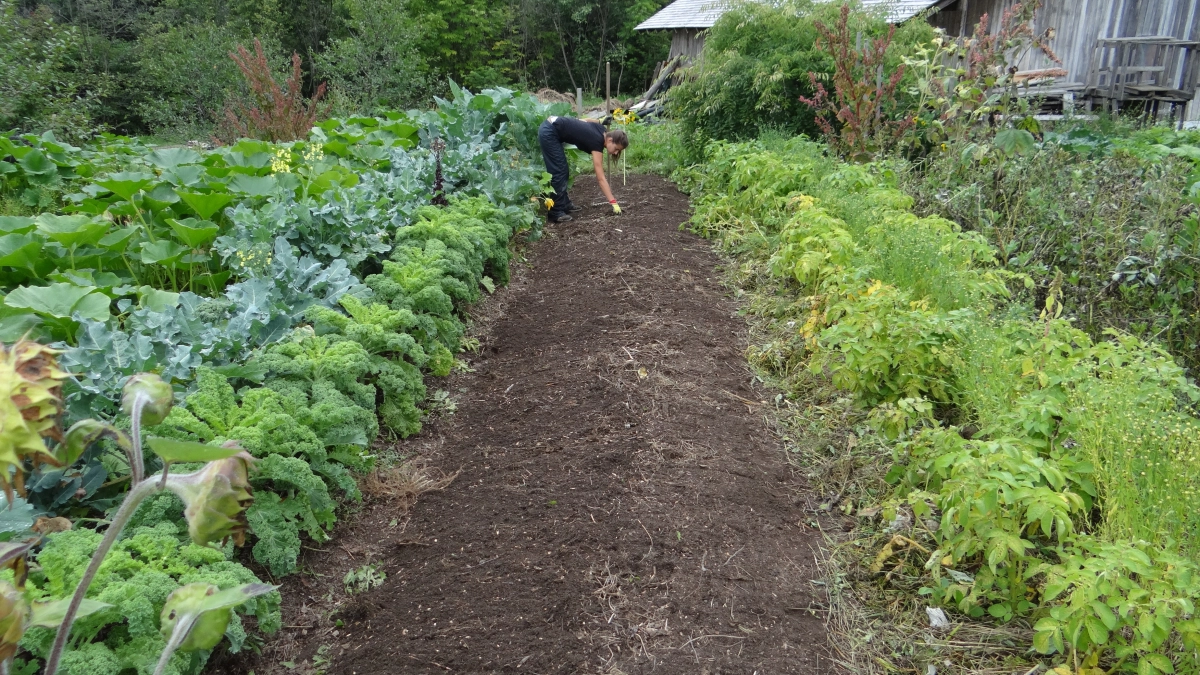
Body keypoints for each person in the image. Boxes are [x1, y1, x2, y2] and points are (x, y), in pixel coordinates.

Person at [538, 115, 628, 223]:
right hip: (549, 132)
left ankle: (564, 204)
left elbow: (584, 121)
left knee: (563, 170)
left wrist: (599, 120)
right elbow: (601, 178)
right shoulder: (596, 141)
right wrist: (613, 202)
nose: (616, 153)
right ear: (610, 140)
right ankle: (555, 212)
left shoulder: (602, 130)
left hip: (552, 125)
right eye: (616, 149)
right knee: (559, 171)